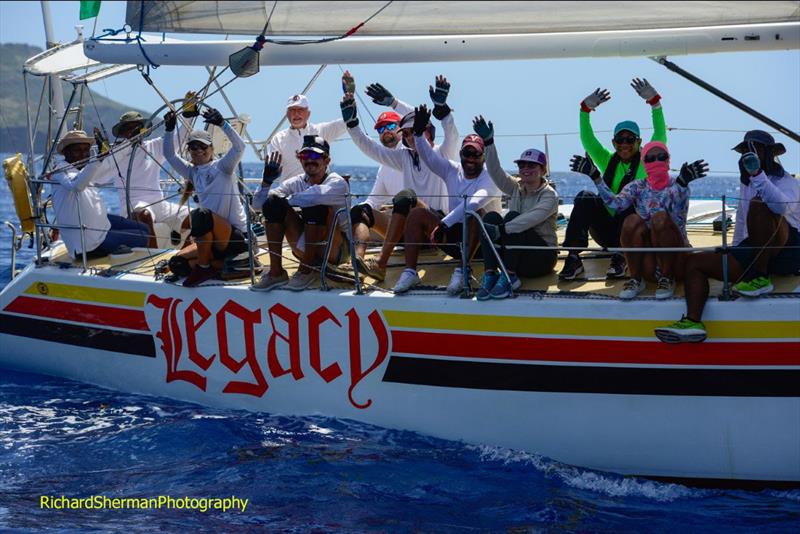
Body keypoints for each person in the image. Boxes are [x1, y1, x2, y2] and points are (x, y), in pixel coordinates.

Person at [656, 130, 800, 343]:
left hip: (786, 251)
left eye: (756, 150)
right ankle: (693, 322)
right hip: (756, 250)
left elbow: (780, 208)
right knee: (695, 262)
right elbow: (741, 221)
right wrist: (733, 252)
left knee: (759, 206)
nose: (749, 155)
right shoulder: (747, 184)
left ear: (769, 154)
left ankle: (760, 278)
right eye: (745, 152)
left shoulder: (787, 181)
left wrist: (758, 175)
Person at [343, 75, 459, 281]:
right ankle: (356, 264)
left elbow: (450, 131)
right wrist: (352, 125)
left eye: (413, 132)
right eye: (405, 134)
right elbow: (371, 148)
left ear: (427, 132)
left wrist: (442, 109)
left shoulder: (442, 153)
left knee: (407, 197)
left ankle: (380, 263)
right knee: (360, 210)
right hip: (408, 232)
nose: (408, 137)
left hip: (434, 229)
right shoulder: (403, 157)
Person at [560, 78, 668, 280]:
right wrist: (584, 110)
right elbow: (587, 139)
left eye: (629, 139)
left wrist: (655, 103)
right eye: (620, 139)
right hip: (606, 232)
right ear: (613, 142)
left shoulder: (647, 160)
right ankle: (573, 257)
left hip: (632, 231)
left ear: (639, 142)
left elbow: (660, 135)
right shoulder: (607, 160)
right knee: (584, 197)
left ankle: (622, 257)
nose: (624, 144)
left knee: (630, 200)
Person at [392, 105, 502, 295]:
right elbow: (428, 156)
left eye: (476, 154)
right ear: (461, 155)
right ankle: (410, 272)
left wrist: (444, 223)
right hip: (454, 240)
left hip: (483, 246)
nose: (471, 158)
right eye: (467, 153)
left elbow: (474, 203)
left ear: (484, 157)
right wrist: (418, 133)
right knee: (417, 213)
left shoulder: (490, 177)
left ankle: (462, 271)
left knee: (476, 214)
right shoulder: (452, 169)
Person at [592, 141, 708, 299]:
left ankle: (667, 278)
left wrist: (681, 184)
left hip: (676, 259)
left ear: (668, 159)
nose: (656, 161)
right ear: (643, 162)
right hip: (650, 265)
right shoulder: (637, 187)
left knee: (660, 218)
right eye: (650, 158)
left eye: (661, 156)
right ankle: (636, 279)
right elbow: (616, 204)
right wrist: (596, 178)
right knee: (631, 220)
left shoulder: (680, 186)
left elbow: (670, 211)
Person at [472, 116, 559, 300]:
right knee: (490, 219)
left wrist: (502, 230)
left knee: (513, 218)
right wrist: (489, 142)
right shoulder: (516, 188)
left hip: (541, 259)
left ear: (543, 170)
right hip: (517, 253)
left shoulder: (549, 195)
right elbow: (495, 172)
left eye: (531, 165)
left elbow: (531, 219)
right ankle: (491, 274)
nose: (526, 168)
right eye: (522, 165)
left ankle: (509, 276)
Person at [163, 107, 249, 287]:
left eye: (203, 146)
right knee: (175, 264)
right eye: (193, 146)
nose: (198, 150)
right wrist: (169, 130)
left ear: (211, 148)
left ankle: (204, 267)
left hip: (235, 238)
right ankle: (220, 266)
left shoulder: (223, 167)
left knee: (201, 214)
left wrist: (222, 124)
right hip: (213, 241)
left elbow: (240, 147)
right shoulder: (192, 172)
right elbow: (170, 155)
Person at [250, 135, 349, 292]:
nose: (309, 160)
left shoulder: (337, 182)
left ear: (327, 161)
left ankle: (306, 269)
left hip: (334, 250)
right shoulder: (296, 182)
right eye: (305, 156)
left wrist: (286, 201)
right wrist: (266, 182)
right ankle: (276, 273)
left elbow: (316, 195)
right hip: (304, 246)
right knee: (272, 203)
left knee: (315, 205)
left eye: (315, 155)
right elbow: (258, 206)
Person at [50, 130, 150, 260]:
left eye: (86, 150)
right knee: (144, 235)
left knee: (144, 228)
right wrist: (99, 158)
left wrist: (125, 143)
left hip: (100, 226)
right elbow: (76, 185)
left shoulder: (83, 168)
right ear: (66, 152)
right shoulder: (60, 170)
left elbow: (104, 167)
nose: (83, 154)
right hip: (90, 244)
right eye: (77, 150)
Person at [101, 110, 190, 246]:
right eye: (129, 128)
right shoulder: (117, 153)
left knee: (194, 216)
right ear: (123, 132)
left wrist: (187, 117)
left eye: (137, 127)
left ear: (143, 129)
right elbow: (99, 179)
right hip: (135, 207)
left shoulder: (154, 145)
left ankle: (187, 256)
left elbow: (179, 140)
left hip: (160, 205)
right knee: (144, 215)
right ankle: (153, 258)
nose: (134, 131)